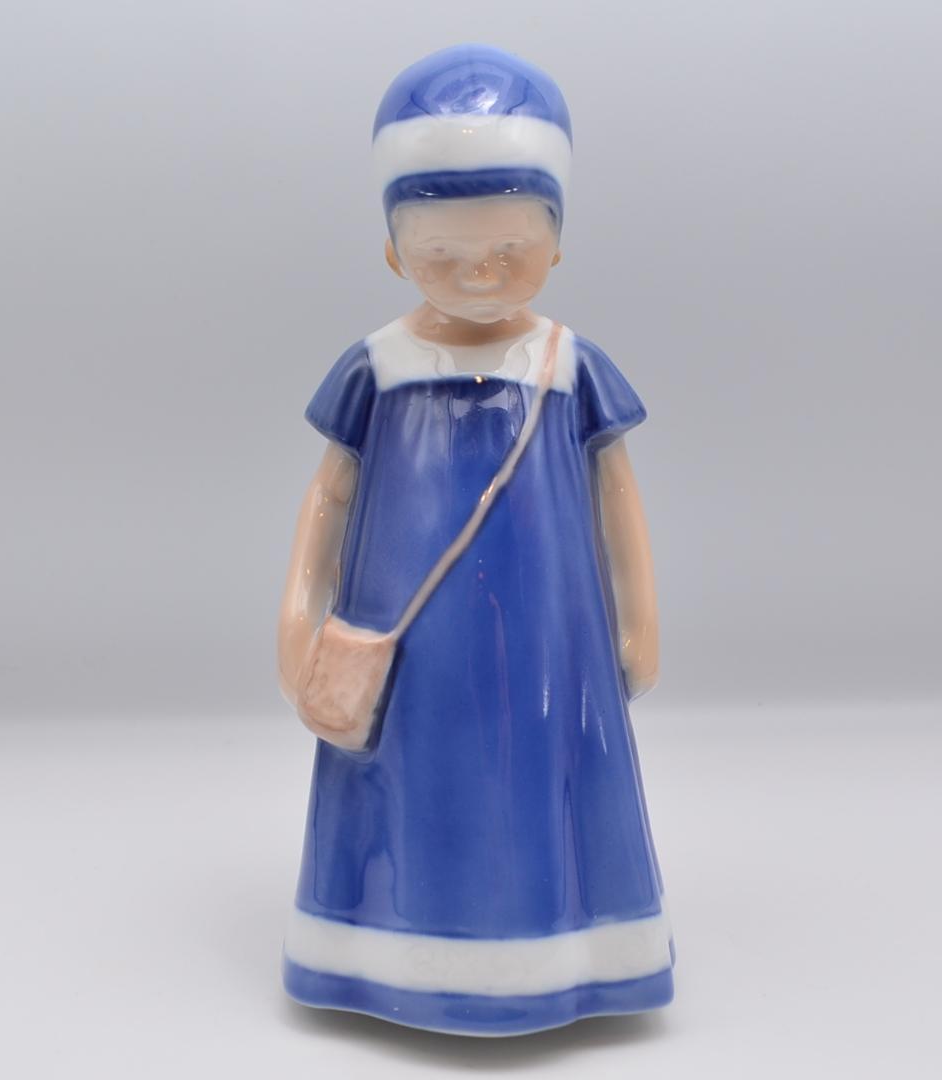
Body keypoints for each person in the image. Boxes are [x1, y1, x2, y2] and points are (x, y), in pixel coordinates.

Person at [277, 44, 674, 1036]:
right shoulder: (377, 366)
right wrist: (296, 619)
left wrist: (640, 621)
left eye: (509, 252)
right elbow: (328, 496)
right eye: (441, 257)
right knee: (413, 772)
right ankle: (383, 949)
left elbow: (616, 494)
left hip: (546, 633)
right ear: (390, 252)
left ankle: (560, 952)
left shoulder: (569, 365)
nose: (479, 277)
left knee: (538, 768)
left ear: (559, 242)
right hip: (405, 635)